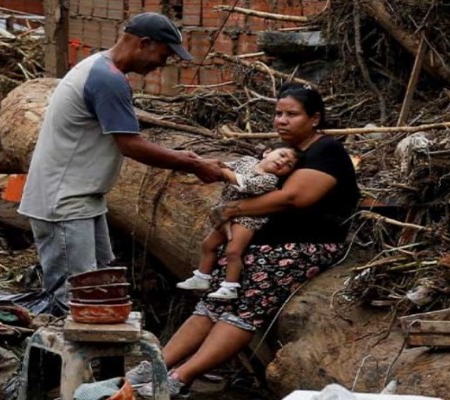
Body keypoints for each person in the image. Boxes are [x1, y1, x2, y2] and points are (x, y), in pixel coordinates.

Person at [127, 84, 360, 398]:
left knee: (244, 310)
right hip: (262, 244)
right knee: (212, 303)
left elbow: (294, 197)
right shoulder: (285, 153)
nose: (282, 120)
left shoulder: (326, 151)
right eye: (278, 113)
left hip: (303, 246)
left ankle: (180, 377)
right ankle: (154, 367)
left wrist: (232, 210)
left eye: (292, 114)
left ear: (314, 118)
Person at [17, 12, 223, 304]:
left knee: (101, 287)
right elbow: (130, 145)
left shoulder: (101, 68)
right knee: (74, 298)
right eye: (164, 55)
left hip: (80, 199)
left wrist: (183, 157)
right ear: (145, 43)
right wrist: (192, 164)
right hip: (64, 202)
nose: (162, 64)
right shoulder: (107, 79)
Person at [176, 146, 299, 299]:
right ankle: (202, 277)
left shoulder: (270, 179)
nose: (283, 162)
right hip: (225, 214)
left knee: (233, 251)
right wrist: (204, 164)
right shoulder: (246, 161)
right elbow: (226, 166)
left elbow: (247, 185)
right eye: (282, 155)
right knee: (208, 245)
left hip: (247, 219)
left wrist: (225, 174)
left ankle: (230, 286)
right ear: (267, 152)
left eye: (289, 165)